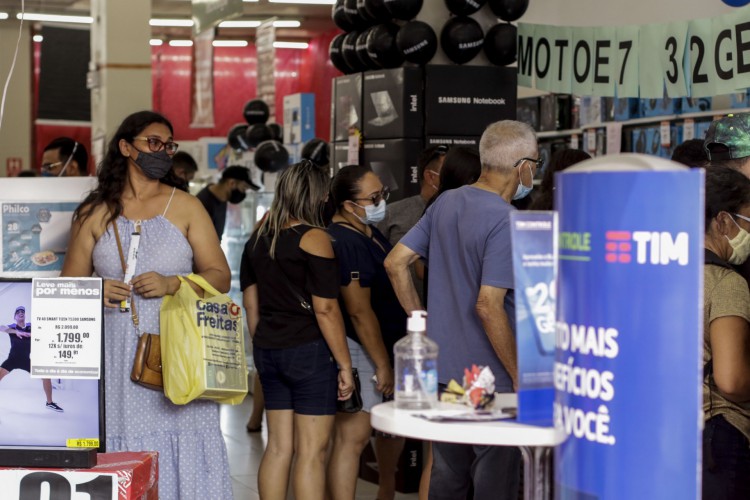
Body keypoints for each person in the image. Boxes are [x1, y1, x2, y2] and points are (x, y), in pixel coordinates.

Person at [60, 110, 233, 499]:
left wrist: (174, 283)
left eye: (169, 145)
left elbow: (220, 276)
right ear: (126, 147)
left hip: (179, 351)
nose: (163, 151)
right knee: (123, 447)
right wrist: (94, 290)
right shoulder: (95, 212)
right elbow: (66, 285)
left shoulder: (187, 206)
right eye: (154, 142)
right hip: (114, 353)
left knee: (183, 437)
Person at [385, 120, 538, 500]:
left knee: (449, 476)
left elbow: (395, 263)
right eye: (535, 162)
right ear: (522, 166)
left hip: (449, 373)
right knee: (494, 482)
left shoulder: (447, 202)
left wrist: (423, 323)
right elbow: (488, 305)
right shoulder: (507, 220)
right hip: (492, 377)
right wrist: (520, 375)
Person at [240, 159, 354, 500]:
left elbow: (251, 305)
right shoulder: (314, 237)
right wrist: (345, 365)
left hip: (268, 349)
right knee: (311, 453)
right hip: (308, 352)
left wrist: (266, 342)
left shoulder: (257, 239)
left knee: (278, 449)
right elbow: (326, 308)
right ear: (317, 194)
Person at [326, 165, 407, 500]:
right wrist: (382, 364)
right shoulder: (346, 240)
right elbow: (359, 311)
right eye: (373, 198)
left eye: (382, 194)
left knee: (388, 429)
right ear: (348, 205)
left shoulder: (368, 231)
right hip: (361, 348)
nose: (381, 202)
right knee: (354, 438)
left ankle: (385, 490)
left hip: (384, 344)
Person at [701, 165, 750, 500]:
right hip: (717, 436)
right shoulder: (726, 282)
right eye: (747, 220)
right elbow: (731, 380)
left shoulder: (653, 269)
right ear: (722, 221)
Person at [376, 145, 445, 305]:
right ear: (430, 176)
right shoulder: (393, 213)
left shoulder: (459, 215)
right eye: (448, 172)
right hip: (402, 312)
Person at [0, 306, 63, 412]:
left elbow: (44, 332)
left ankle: (49, 403)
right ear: (15, 317)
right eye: (18, 312)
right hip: (12, 359)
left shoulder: (31, 326)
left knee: (46, 376)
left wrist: (34, 335)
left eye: (23, 312)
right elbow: (2, 328)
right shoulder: (12, 327)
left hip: (26, 360)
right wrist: (16, 332)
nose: (21, 313)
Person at [196, 165, 253, 241]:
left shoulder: (223, 199)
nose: (244, 193)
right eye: (243, 188)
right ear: (232, 183)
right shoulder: (202, 203)